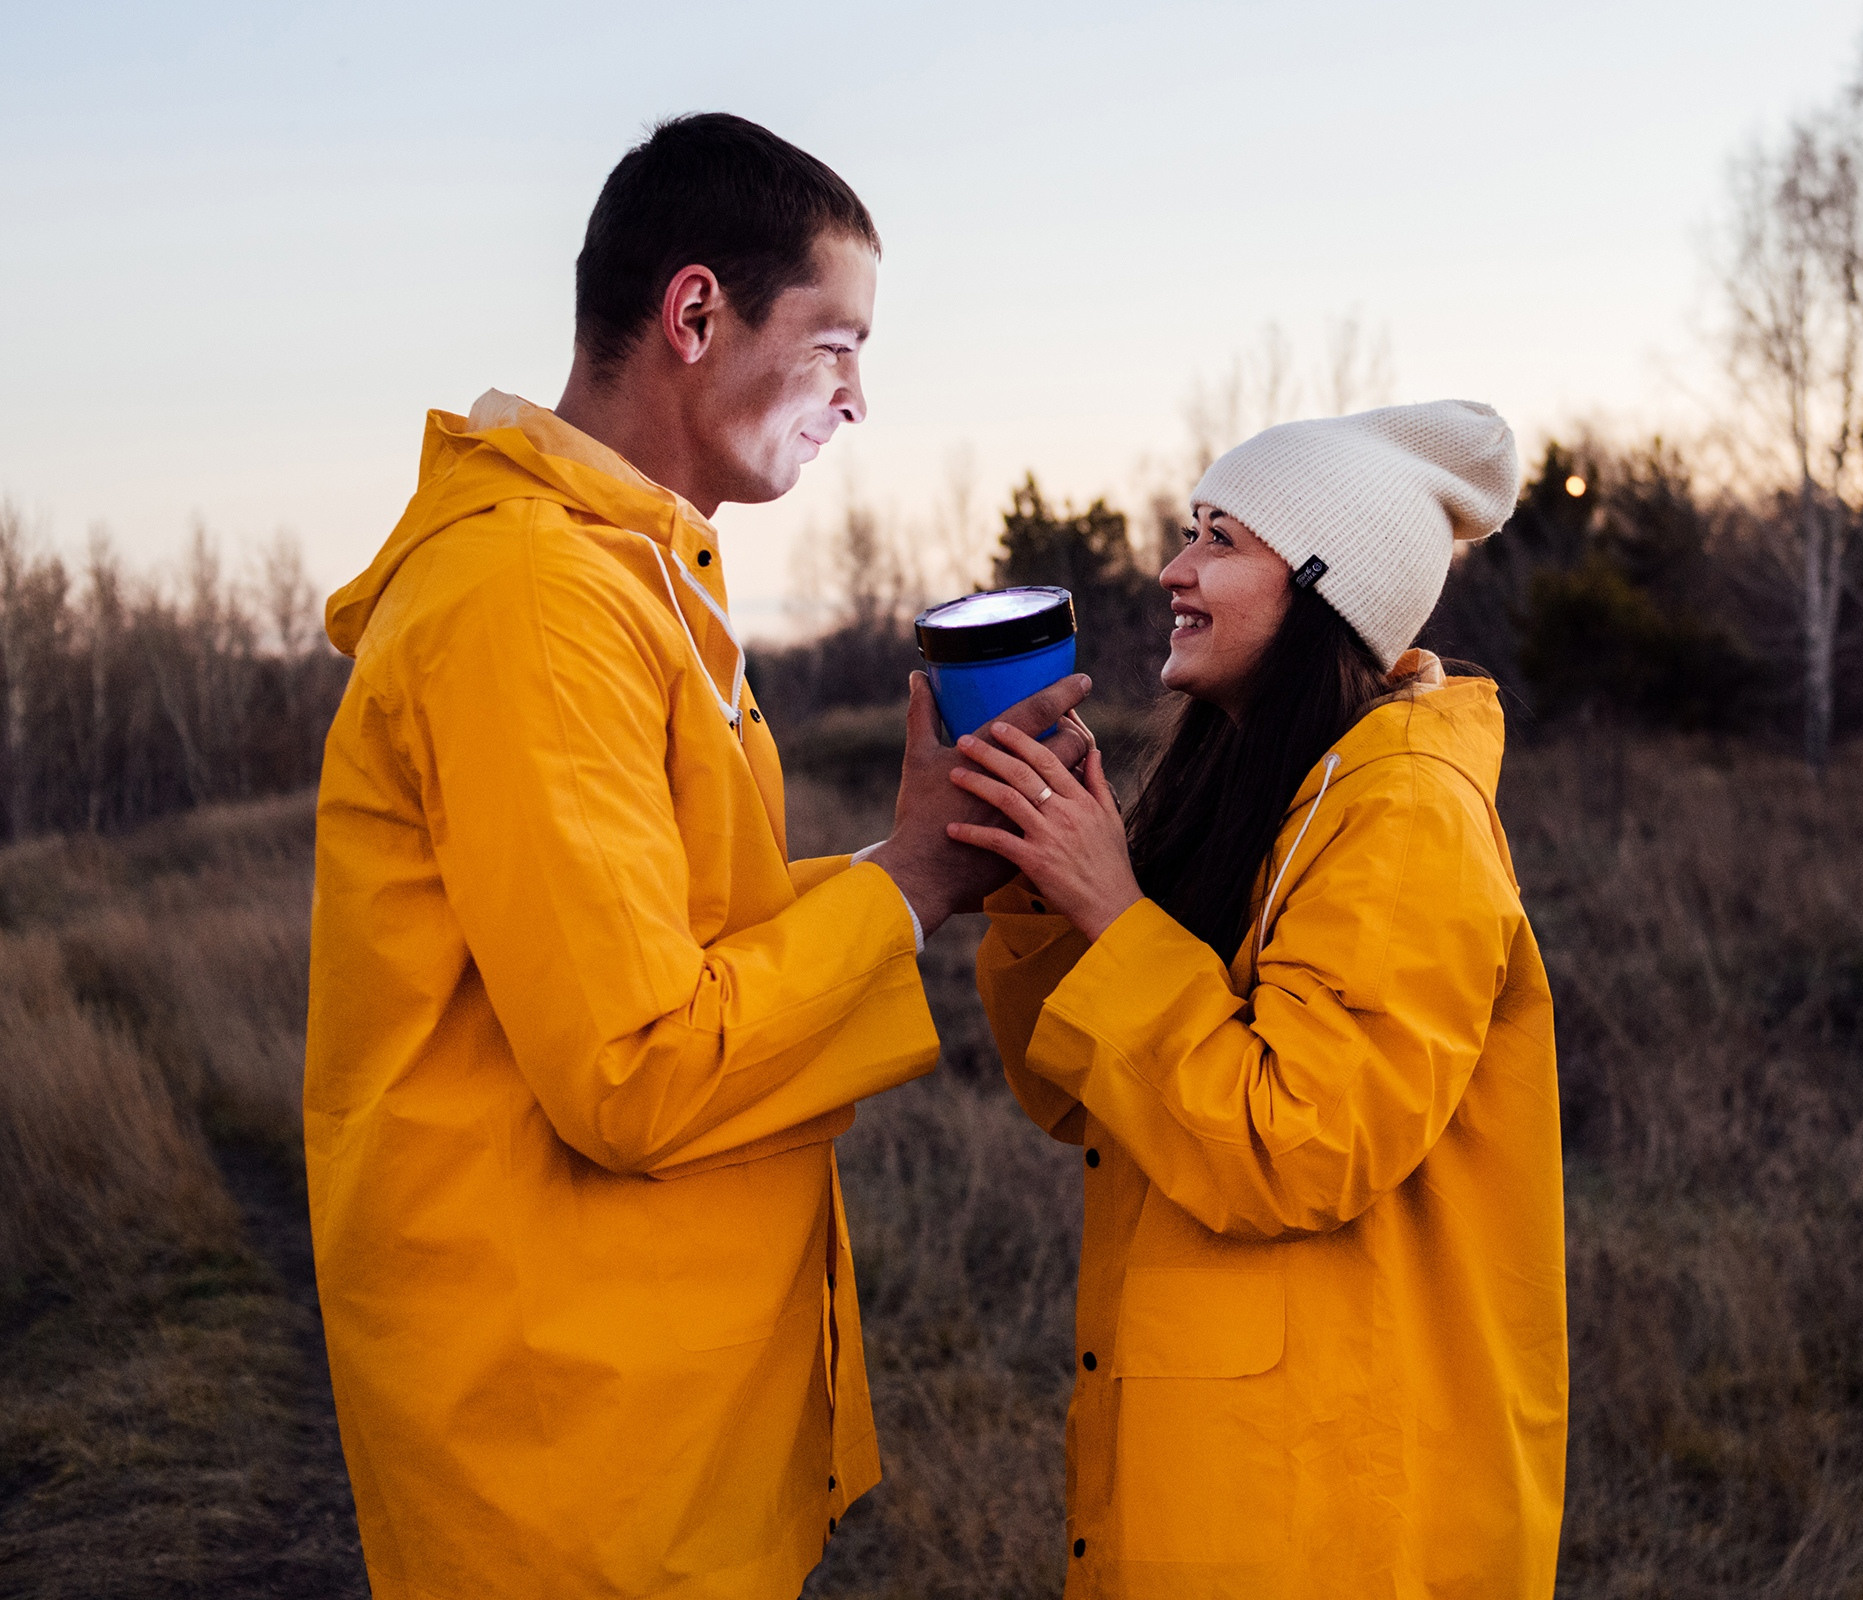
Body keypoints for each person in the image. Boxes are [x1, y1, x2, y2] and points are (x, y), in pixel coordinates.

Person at [304, 113, 1086, 1600]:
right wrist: (902, 888)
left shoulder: (631, 579)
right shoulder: (533, 601)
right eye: (838, 342)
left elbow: (676, 933)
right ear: (695, 312)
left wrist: (925, 860)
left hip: (657, 1415)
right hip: (567, 1456)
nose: (859, 400)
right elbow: (638, 1063)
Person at [957, 401, 1568, 1597]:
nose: (1176, 571)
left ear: (1325, 586)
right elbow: (1075, 1094)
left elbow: (1296, 1142)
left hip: (1328, 1498)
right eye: (1191, 532)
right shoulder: (1257, 788)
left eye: (1221, 540)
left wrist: (1114, 913)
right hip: (1217, 1466)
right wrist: (1038, 883)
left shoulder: (1404, 815)